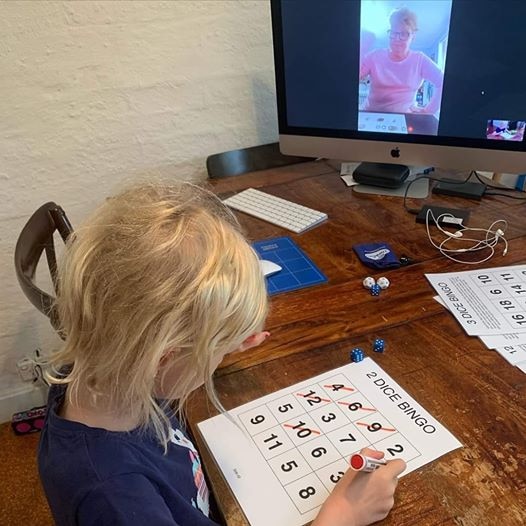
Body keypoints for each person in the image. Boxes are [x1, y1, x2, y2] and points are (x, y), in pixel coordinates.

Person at [38, 180, 406, 525]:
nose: (221, 357)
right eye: (213, 350)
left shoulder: (103, 365)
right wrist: (338, 516)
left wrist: (218, 340)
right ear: (162, 356)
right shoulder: (116, 499)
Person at [360, 7, 444, 115]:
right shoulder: (374, 56)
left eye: (404, 33)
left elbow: (443, 82)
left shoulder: (420, 60)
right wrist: (361, 49)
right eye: (394, 32)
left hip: (404, 118)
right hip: (370, 114)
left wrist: (428, 111)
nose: (397, 38)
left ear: (413, 36)